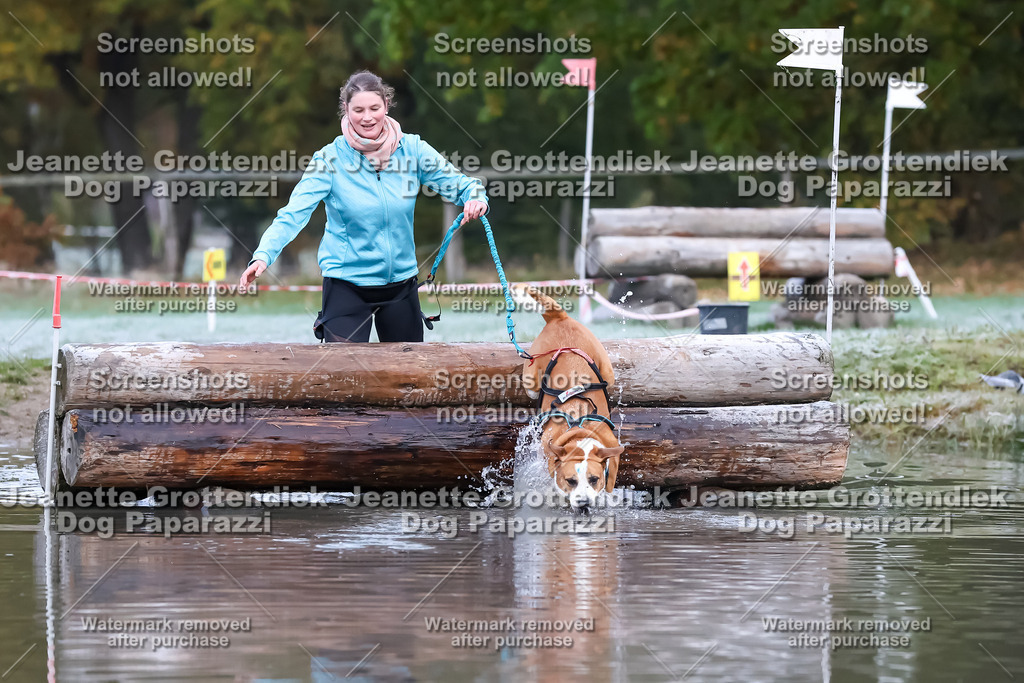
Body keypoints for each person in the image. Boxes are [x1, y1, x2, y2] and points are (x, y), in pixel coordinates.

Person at [239, 70, 488, 342]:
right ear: (346, 109)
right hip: (346, 287)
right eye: (358, 109)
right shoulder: (329, 160)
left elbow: (462, 184)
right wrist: (263, 255)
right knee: (344, 379)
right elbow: (293, 214)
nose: (367, 117)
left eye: (374, 108)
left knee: (407, 378)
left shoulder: (412, 149)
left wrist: (475, 198)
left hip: (401, 287)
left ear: (386, 106)